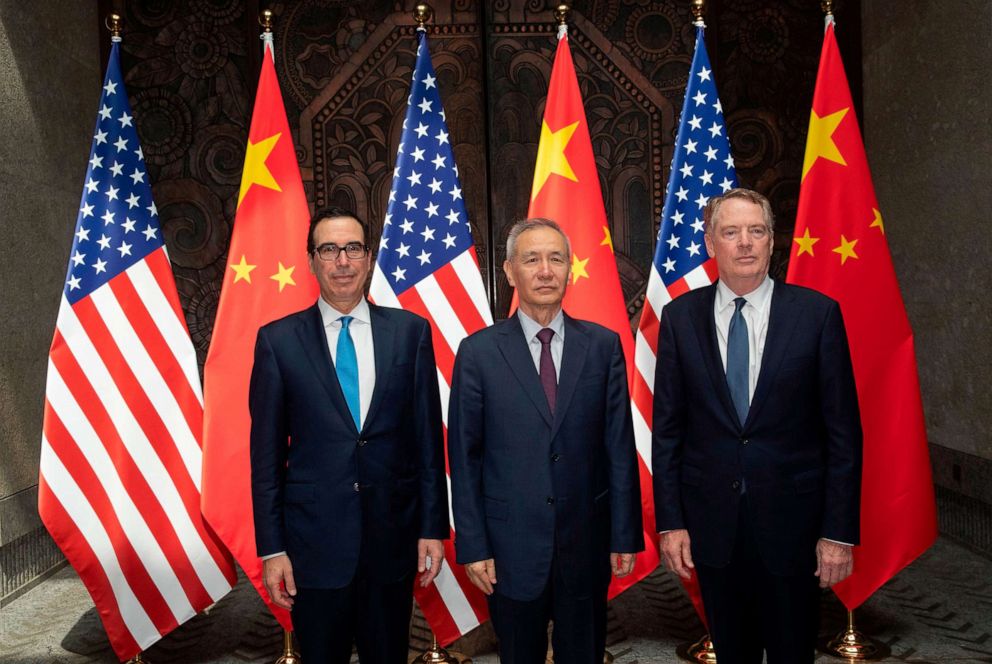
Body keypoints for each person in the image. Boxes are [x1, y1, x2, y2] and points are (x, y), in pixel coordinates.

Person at [652, 188, 863, 663]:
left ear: (772, 241)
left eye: (757, 231)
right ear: (711, 243)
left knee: (793, 653)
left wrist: (838, 533)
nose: (744, 243)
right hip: (712, 527)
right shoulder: (680, 318)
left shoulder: (817, 315)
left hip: (796, 527)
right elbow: (668, 431)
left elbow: (843, 435)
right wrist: (671, 522)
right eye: (731, 232)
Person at [249, 207, 448, 663]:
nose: (342, 261)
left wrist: (432, 528)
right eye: (329, 250)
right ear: (312, 260)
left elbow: (427, 443)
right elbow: (265, 458)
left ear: (369, 257)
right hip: (312, 549)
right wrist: (272, 548)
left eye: (353, 249)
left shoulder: (409, 333)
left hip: (391, 541)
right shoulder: (277, 342)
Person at [448, 217, 643, 663]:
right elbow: (465, 457)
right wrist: (474, 544)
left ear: (570, 270)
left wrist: (625, 535)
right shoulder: (478, 353)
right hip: (508, 547)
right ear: (509, 271)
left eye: (556, 259)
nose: (545, 270)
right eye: (531, 259)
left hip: (586, 541)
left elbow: (618, 447)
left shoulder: (602, 346)